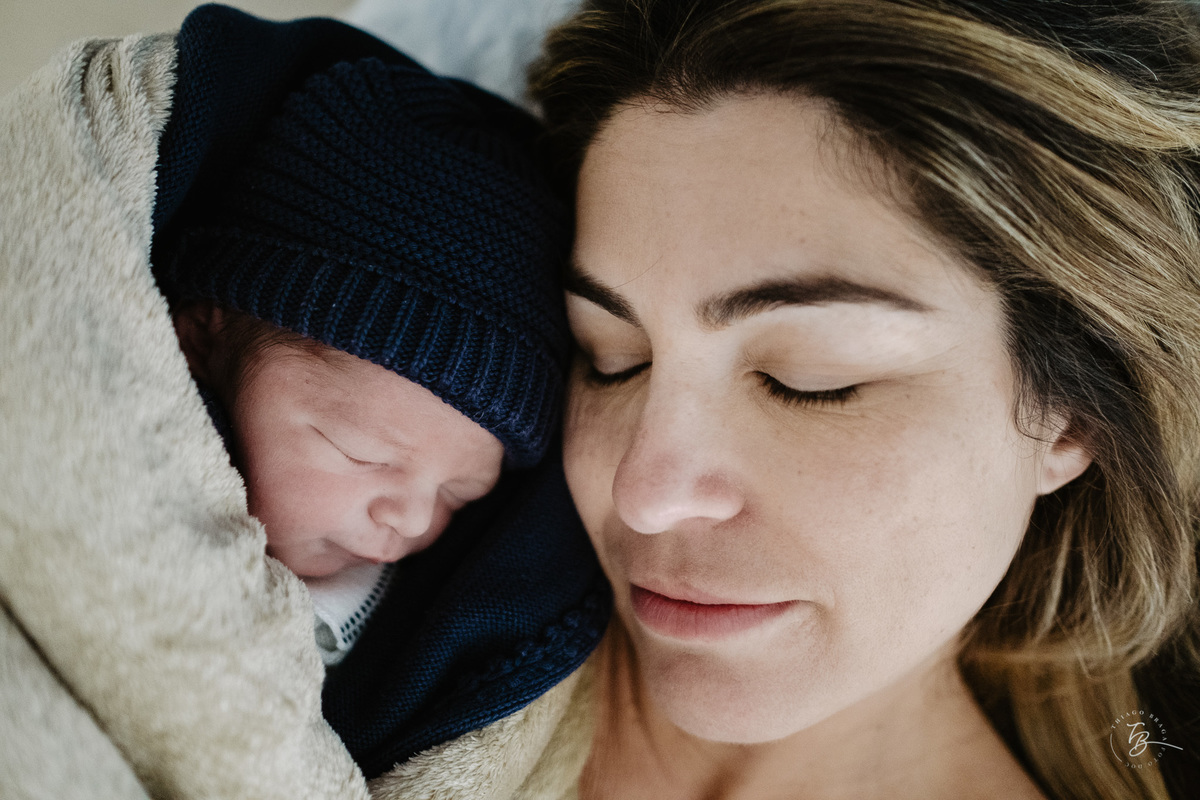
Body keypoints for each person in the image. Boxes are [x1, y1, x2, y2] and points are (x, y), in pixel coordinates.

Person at [323, 0, 1200, 798]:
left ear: (1073, 413)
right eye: (612, 358)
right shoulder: (363, 562)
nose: (645, 492)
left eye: (808, 381)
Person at [0, 4, 607, 797]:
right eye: (363, 454)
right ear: (199, 340)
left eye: (462, 495)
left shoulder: (432, 627)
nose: (412, 519)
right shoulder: (111, 440)